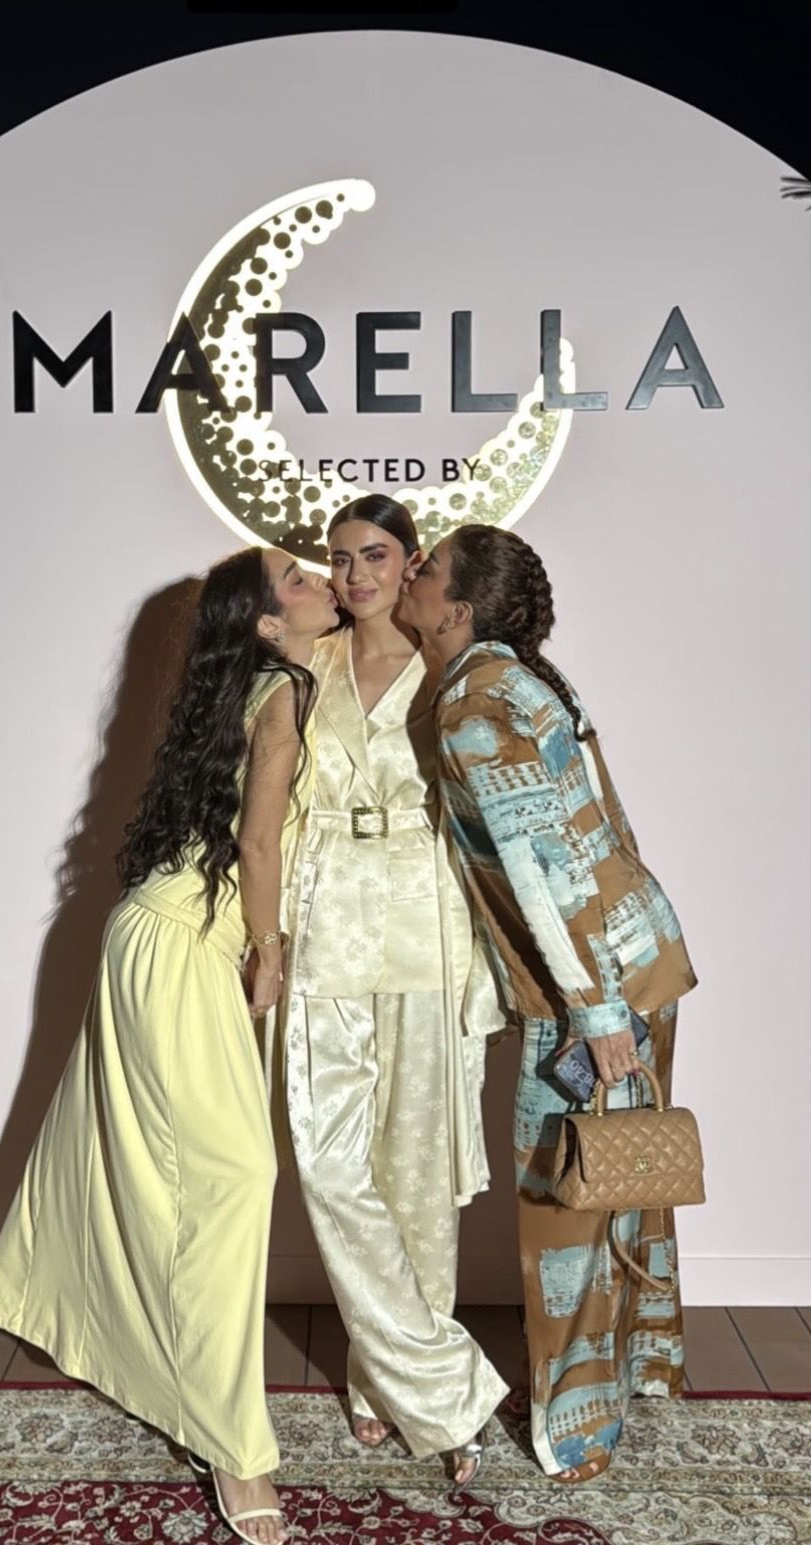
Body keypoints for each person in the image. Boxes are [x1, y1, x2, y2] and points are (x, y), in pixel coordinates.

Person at [0, 546, 338, 1545]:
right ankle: (234, 1445)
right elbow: (257, 842)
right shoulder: (282, 692)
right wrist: (270, 949)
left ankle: (136, 1347)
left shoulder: (271, 681)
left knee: (185, 1170)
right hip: (176, 946)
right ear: (266, 622)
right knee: (234, 1170)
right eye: (299, 579)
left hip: (162, 938)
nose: (320, 581)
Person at [400, 523, 697, 1483]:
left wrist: (594, 1010)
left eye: (426, 567)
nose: (410, 571)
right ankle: (645, 1366)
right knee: (619, 1178)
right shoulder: (520, 679)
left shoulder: (476, 705)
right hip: (638, 955)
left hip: (591, 986)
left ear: (458, 608)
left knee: (564, 1205)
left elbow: (541, 868)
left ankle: (579, 1428)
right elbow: (607, 823)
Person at [277, 495, 509, 1487]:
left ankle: (384, 1382)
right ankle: (446, 1389)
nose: (354, 574)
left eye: (374, 554)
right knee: (331, 1164)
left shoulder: (452, 665)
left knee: (414, 1169)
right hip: (325, 914)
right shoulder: (306, 662)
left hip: (427, 921)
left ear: (411, 562)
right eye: (338, 558)